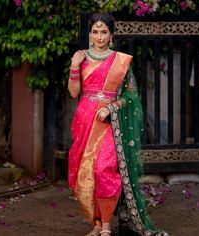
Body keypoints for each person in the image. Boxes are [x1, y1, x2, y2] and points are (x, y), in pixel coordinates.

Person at [68, 13, 168, 236]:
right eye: (95, 32)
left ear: (111, 35)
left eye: (104, 32)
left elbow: (131, 96)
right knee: (85, 172)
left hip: (109, 122)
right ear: (89, 34)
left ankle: (105, 225)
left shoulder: (120, 61)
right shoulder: (81, 58)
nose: (99, 36)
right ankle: (95, 224)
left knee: (104, 169)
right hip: (85, 120)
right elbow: (74, 92)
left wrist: (111, 108)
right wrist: (74, 66)